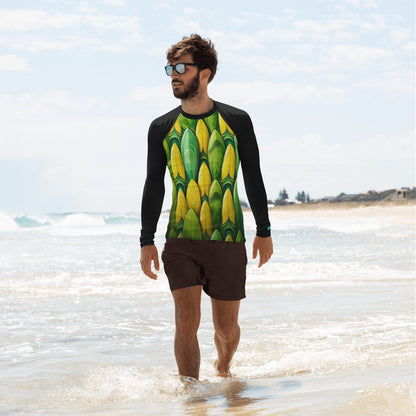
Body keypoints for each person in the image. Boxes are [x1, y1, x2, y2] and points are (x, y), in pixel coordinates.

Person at [140, 34, 273, 381]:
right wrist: (146, 239)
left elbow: (253, 177)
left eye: (182, 67)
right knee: (186, 321)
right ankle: (191, 397)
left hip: (227, 238)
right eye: (170, 68)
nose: (174, 75)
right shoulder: (161, 128)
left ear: (206, 74)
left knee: (226, 329)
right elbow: (154, 184)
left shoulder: (237, 121)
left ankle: (224, 366)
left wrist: (264, 230)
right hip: (181, 238)